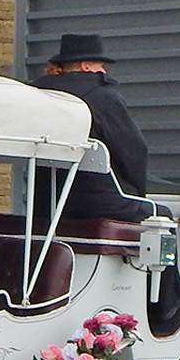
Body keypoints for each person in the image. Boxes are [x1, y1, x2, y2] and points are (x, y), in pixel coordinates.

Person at [28, 33, 157, 223]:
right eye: (101, 65)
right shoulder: (101, 96)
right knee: (166, 215)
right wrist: (137, 194)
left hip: (45, 205)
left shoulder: (35, 94)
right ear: (86, 66)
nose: (104, 71)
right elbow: (133, 152)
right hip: (97, 203)